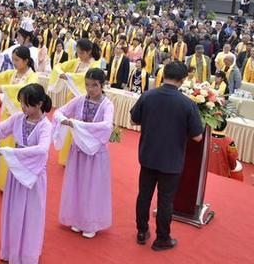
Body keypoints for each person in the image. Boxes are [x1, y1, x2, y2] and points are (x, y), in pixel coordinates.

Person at [130, 61, 204, 251]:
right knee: (165, 200)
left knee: (144, 195)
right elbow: (197, 136)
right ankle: (162, 238)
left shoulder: (148, 96)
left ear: (163, 75)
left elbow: (134, 119)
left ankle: (141, 231)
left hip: (148, 155)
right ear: (183, 79)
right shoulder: (187, 103)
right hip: (171, 159)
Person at [0, 83, 52, 263]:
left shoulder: (45, 126)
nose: (22, 107)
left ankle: (27, 253)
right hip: (15, 174)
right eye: (21, 102)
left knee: (31, 215)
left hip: (33, 176)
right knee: (13, 212)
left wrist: (11, 153)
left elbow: (42, 149)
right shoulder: (18, 118)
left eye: (26, 104)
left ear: (39, 104)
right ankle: (11, 249)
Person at [52, 68, 113, 238]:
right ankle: (76, 219)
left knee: (92, 187)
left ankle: (90, 223)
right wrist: (65, 120)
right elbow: (59, 112)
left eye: (94, 85)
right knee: (77, 184)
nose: (90, 89)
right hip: (78, 150)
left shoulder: (107, 105)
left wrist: (77, 125)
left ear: (102, 85)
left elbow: (107, 126)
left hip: (96, 154)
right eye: (87, 85)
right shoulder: (79, 100)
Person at [0, 45, 39, 191]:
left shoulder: (32, 76)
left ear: (26, 60)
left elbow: (25, 89)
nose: (14, 62)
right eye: (13, 59)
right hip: (6, 114)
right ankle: (4, 182)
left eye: (17, 60)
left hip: (22, 118)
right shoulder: (12, 74)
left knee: (17, 148)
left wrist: (3, 88)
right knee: (5, 147)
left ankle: (16, 182)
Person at [49, 38, 102, 165]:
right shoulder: (77, 61)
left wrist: (69, 76)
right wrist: (61, 72)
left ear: (89, 52)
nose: (79, 55)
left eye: (81, 53)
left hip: (87, 100)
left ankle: (80, 158)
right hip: (72, 98)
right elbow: (59, 66)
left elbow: (87, 77)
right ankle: (67, 158)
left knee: (81, 128)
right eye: (77, 52)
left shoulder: (95, 64)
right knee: (69, 126)